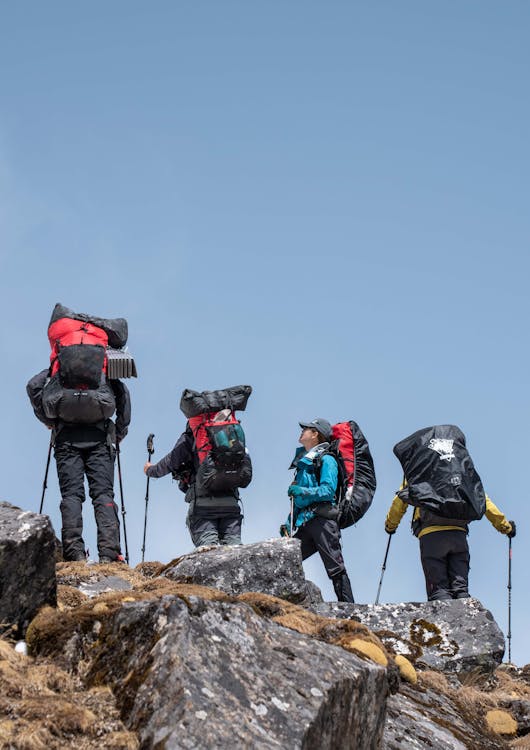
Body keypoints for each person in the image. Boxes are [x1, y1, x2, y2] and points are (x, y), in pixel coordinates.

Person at [27, 370, 131, 563]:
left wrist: (49, 421)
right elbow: (123, 393)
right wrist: (120, 431)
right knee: (103, 495)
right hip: (100, 438)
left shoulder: (60, 364)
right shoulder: (103, 365)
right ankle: (109, 555)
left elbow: (33, 386)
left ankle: (74, 554)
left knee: (71, 496)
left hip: (66, 439)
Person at [384, 486, 516, 601]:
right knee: (460, 589)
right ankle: (466, 624)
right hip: (458, 534)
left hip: (431, 536)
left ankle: (442, 626)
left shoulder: (420, 463)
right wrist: (506, 527)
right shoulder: (459, 466)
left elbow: (400, 500)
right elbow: (482, 499)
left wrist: (390, 526)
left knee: (439, 591)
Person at [144, 423, 251, 547]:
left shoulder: (193, 435)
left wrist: (150, 470)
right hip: (231, 504)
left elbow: (170, 462)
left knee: (208, 551)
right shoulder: (231, 434)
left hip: (203, 507)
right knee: (235, 549)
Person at [284, 417, 354, 603]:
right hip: (308, 522)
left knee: (335, 568)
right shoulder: (306, 462)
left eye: (306, 429)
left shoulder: (327, 459)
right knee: (287, 560)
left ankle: (350, 610)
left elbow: (327, 491)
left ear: (315, 434)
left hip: (323, 521)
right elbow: (300, 502)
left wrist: (301, 490)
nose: (302, 431)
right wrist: (288, 522)